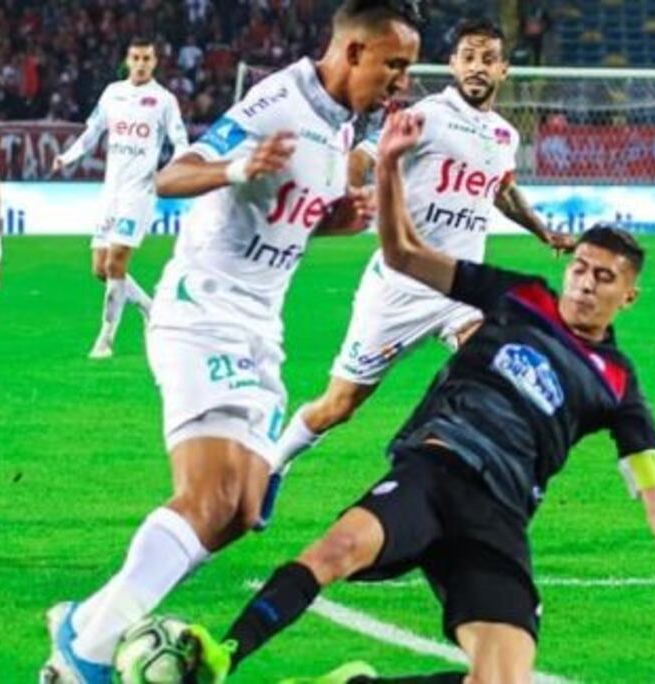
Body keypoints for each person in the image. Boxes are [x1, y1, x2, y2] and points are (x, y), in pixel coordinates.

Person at [190, 109, 655, 684]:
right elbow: (403, 254)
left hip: (500, 515)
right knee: (336, 548)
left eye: (604, 278)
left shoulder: (617, 384)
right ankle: (221, 657)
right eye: (580, 268)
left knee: (504, 678)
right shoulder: (521, 297)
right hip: (435, 469)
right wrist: (389, 165)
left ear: (629, 296)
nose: (585, 284)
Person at [40, 1, 419, 682]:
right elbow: (170, 176)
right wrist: (237, 168)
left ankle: (82, 619)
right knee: (209, 498)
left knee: (240, 511)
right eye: (394, 64)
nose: (402, 80)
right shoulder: (277, 101)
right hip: (203, 315)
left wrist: (332, 219)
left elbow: (284, 212)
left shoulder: (342, 124)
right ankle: (83, 656)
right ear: (354, 51)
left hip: (260, 330)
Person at [265, 18, 574, 526]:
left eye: (488, 58)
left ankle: (465, 491)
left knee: (501, 377)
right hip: (399, 287)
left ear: (503, 69)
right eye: (468, 57)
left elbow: (501, 190)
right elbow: (363, 156)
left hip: (460, 289)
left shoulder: (504, 134)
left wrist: (543, 231)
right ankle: (274, 465)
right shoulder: (427, 115)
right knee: (339, 405)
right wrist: (349, 189)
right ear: (453, 65)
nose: (477, 67)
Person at [52, 38, 189, 359]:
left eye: (146, 58)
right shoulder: (113, 93)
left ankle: (106, 339)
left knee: (116, 263)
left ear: (155, 62)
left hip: (138, 193)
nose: (141, 64)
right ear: (128, 60)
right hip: (110, 192)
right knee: (101, 269)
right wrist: (66, 157)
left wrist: (169, 172)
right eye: (136, 58)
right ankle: (151, 309)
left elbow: (181, 143)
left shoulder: (164, 100)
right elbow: (92, 133)